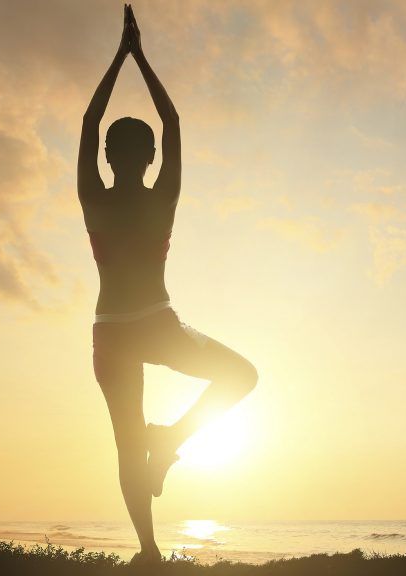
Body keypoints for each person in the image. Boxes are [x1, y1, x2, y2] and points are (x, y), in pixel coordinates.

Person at [78, 5, 258, 564]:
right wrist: (139, 55)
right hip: (157, 324)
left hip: (111, 334)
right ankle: (173, 440)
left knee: (126, 444)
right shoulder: (162, 199)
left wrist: (120, 56)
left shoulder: (95, 198)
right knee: (242, 376)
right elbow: (173, 123)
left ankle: (149, 551)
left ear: (108, 157)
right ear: (152, 156)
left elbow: (89, 124)